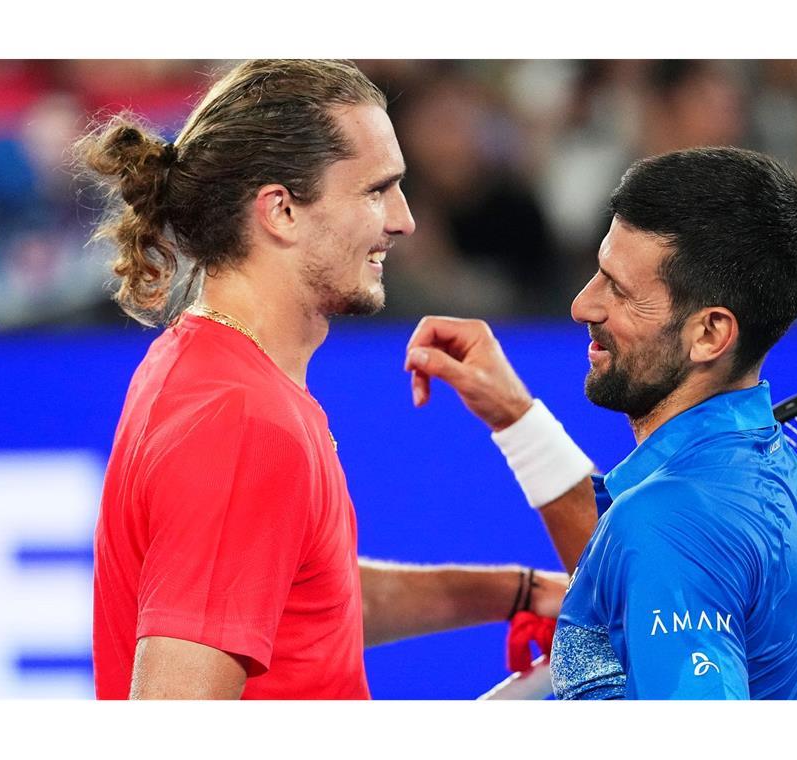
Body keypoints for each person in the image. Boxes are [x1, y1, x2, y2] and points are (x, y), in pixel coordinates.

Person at [78, 59, 564, 700]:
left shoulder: (215, 369)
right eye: (376, 190)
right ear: (280, 211)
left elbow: (308, 602)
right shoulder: (240, 420)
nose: (405, 219)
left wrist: (516, 592)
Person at [405, 147, 797, 699]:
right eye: (599, 271)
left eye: (619, 289)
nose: (582, 305)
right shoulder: (784, 484)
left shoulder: (667, 523)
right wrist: (516, 418)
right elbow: (632, 547)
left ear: (710, 333)